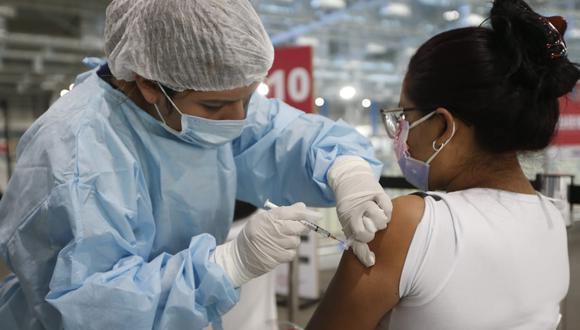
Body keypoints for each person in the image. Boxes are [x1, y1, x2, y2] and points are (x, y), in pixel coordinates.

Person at [0, 1, 392, 329]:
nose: (239, 119)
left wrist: (347, 172)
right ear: (149, 84)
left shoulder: (200, 104)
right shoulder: (77, 154)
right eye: (215, 107)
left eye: (248, 98)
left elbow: (285, 136)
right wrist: (227, 265)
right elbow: (94, 308)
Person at [307, 0, 579, 329]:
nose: (401, 136)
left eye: (405, 117)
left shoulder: (411, 225)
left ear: (443, 128)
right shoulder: (551, 218)